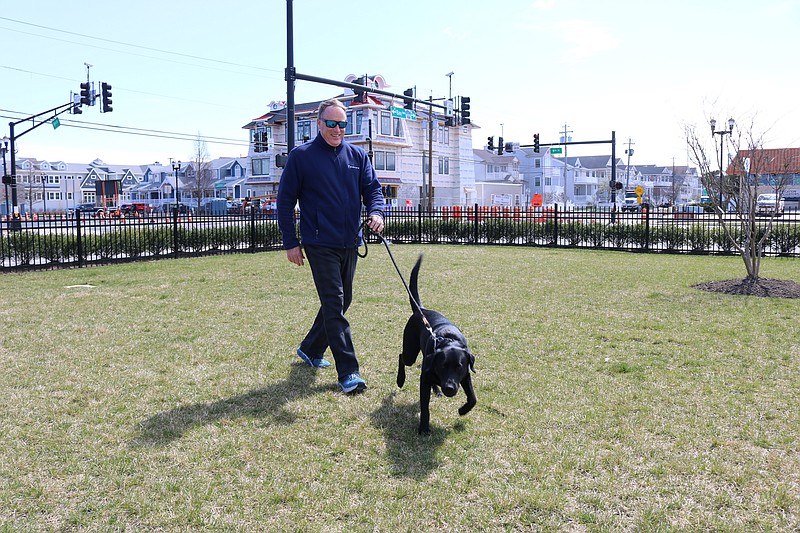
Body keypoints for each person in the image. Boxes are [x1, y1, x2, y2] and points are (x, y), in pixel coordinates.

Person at [277, 98, 385, 394]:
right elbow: (285, 202)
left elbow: (373, 190)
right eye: (332, 123)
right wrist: (291, 242)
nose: (338, 129)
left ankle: (311, 348)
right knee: (335, 304)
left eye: (342, 124)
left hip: (350, 241)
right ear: (319, 123)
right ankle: (349, 372)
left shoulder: (358, 156)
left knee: (341, 300)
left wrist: (376, 213)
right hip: (319, 243)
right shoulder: (301, 157)